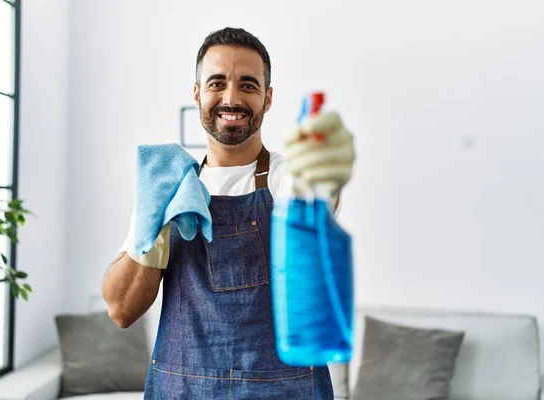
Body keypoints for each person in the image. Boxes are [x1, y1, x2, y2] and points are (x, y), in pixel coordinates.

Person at [102, 27, 356, 400]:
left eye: (249, 86)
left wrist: (324, 174)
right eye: (217, 83)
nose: (232, 98)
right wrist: (151, 230)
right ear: (197, 93)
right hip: (183, 390)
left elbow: (315, 202)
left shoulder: (290, 177)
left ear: (267, 99)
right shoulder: (169, 186)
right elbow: (121, 310)